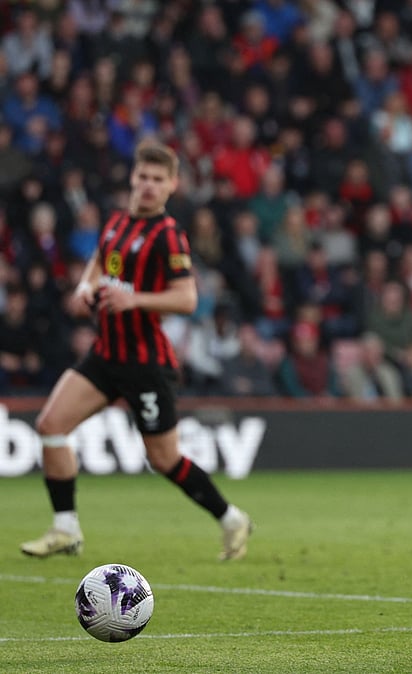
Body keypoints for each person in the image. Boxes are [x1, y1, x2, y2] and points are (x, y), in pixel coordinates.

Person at [19, 140, 253, 561]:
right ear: (133, 178)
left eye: (158, 180)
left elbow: (186, 299)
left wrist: (136, 300)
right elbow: (100, 260)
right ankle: (65, 528)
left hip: (146, 363)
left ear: (172, 186)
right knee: (51, 424)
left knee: (163, 459)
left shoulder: (168, 236)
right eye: (143, 176)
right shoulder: (116, 224)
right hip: (106, 353)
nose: (148, 185)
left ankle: (232, 518)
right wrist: (86, 285)